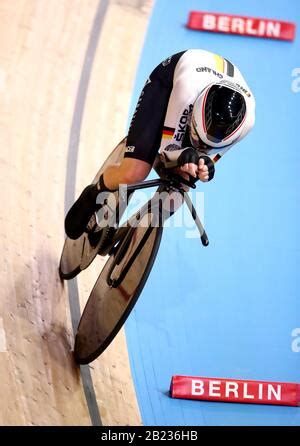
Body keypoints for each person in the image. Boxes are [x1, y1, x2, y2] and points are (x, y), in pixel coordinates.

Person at [65, 49, 255, 240]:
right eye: (196, 136)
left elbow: (207, 158)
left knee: (178, 192)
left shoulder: (245, 125)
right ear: (193, 117)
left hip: (205, 95)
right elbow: (167, 151)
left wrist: (205, 165)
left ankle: (132, 241)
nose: (198, 144)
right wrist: (183, 154)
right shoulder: (187, 91)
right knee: (135, 173)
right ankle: (93, 193)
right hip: (168, 82)